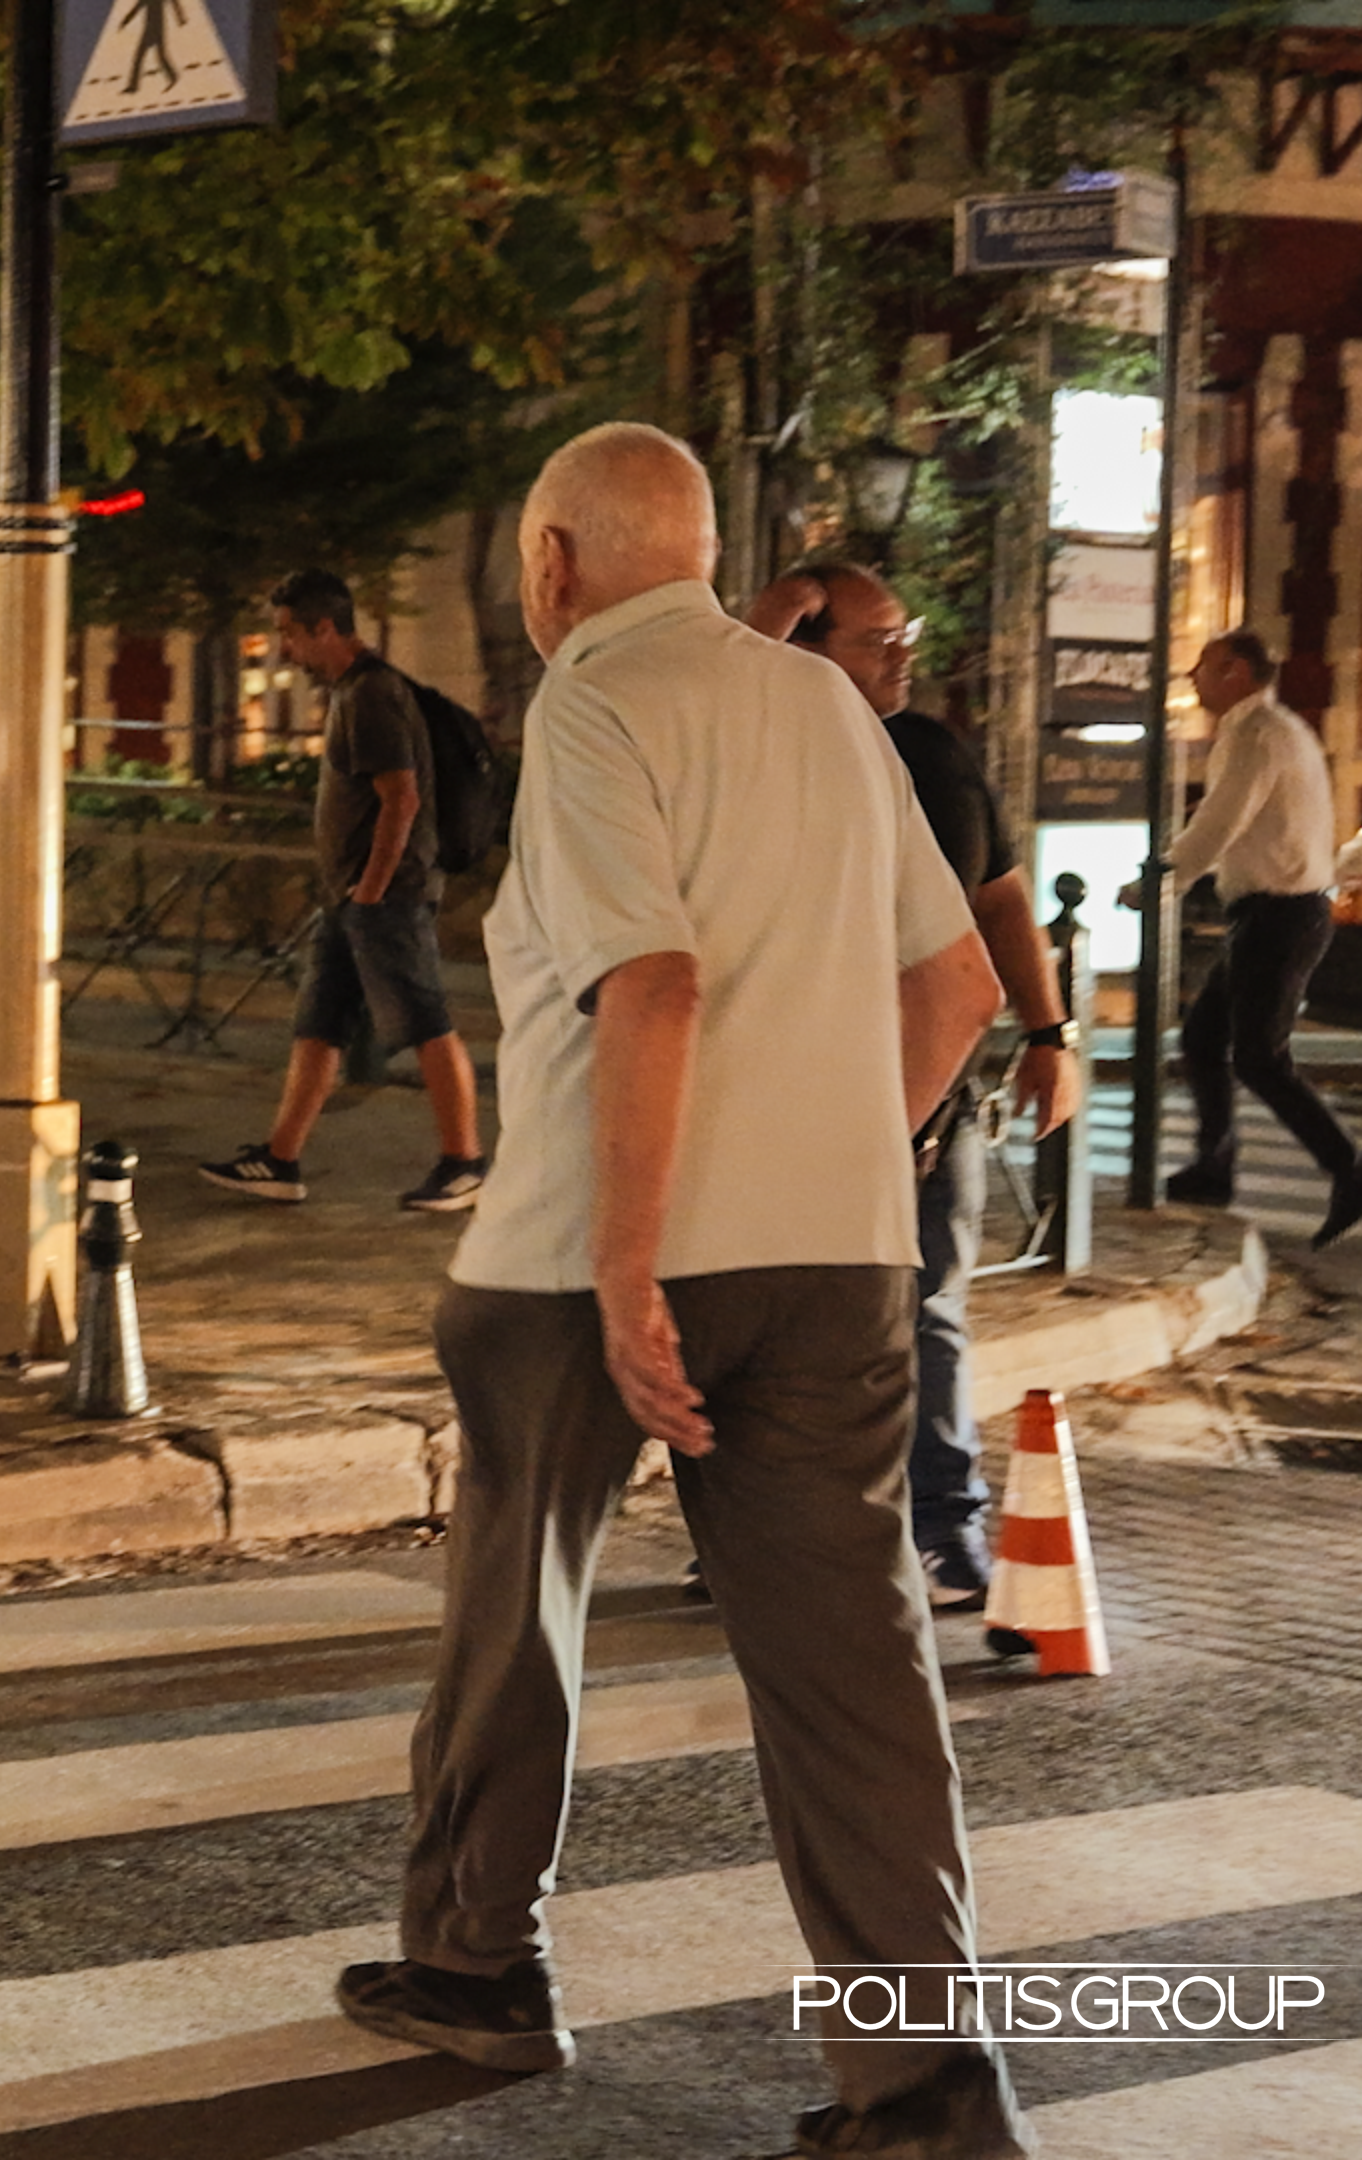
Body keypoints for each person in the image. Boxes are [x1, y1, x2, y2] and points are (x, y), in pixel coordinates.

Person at [335, 424, 1029, 2160]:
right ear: (706, 553)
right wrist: (825, 1149)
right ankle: (925, 2092)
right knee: (855, 1672)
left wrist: (635, 1262)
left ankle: (480, 1968)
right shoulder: (825, 709)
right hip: (836, 1259)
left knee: (520, 1613)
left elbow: (649, 980)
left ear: (557, 561)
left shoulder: (588, 702)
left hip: (583, 1256)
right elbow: (954, 987)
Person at [741, 564, 1086, 1612]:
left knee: (929, 1306)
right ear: (802, 643)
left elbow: (1002, 901)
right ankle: (754, 1531)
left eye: (908, 634)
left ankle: (943, 1527)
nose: (902, 654)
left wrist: (1049, 1031)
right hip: (794, 1090)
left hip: (926, 1096)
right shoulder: (762, 752)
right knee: (781, 1320)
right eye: (873, 638)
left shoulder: (930, 754)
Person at [197, 568, 489, 1213]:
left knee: (426, 1021)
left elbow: (401, 798)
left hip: (383, 895)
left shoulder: (371, 696)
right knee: (319, 1026)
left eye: (290, 635)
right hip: (353, 897)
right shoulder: (357, 692)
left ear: (324, 627)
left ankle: (464, 1162)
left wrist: (371, 890)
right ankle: (279, 1159)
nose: (285, 651)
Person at [1127, 631, 1362, 1246]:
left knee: (1258, 1057)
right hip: (1270, 912)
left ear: (1238, 672)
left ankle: (1355, 1172)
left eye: (1204, 668)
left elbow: (1223, 817)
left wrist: (1163, 879)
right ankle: (1213, 1168)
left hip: (1283, 913)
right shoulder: (1265, 729)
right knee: (1204, 1037)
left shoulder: (1260, 734)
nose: (1192, 679)